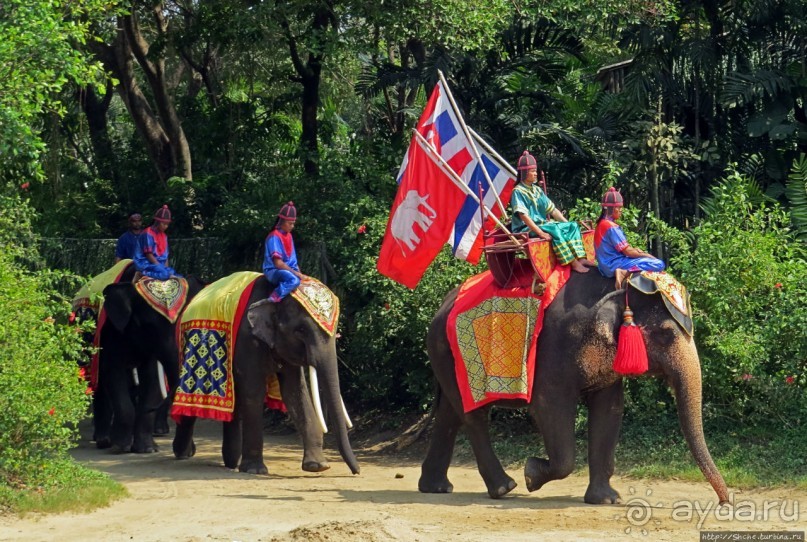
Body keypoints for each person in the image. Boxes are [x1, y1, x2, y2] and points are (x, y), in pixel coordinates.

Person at [509, 151, 595, 273]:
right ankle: (573, 262)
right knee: (554, 229)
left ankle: (581, 258)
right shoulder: (518, 191)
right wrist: (540, 232)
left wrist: (566, 224)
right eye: (532, 171)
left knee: (572, 225)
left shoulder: (537, 190)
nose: (535, 174)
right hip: (526, 228)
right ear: (524, 173)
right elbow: (523, 216)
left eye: (535, 171)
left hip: (543, 224)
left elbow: (553, 210)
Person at [594, 187, 666, 278]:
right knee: (659, 264)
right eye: (618, 207)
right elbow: (628, 252)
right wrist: (647, 256)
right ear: (610, 208)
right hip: (614, 265)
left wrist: (635, 250)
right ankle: (624, 272)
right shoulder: (611, 227)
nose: (621, 210)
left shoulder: (600, 224)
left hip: (604, 267)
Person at [263, 201, 304, 302]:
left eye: (293, 224)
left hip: (288, 270)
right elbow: (278, 264)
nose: (292, 226)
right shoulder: (274, 236)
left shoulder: (289, 236)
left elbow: (293, 261)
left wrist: (300, 274)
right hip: (274, 271)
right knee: (294, 280)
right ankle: (274, 297)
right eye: (290, 223)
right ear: (282, 222)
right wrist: (296, 274)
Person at [133, 205, 179, 280]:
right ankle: (141, 273)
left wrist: (166, 269)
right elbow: (148, 255)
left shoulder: (164, 236)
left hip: (158, 264)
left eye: (167, 224)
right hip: (145, 263)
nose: (166, 226)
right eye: (164, 224)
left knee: (173, 272)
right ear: (157, 222)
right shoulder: (148, 233)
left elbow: (165, 257)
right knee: (165, 274)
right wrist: (162, 269)